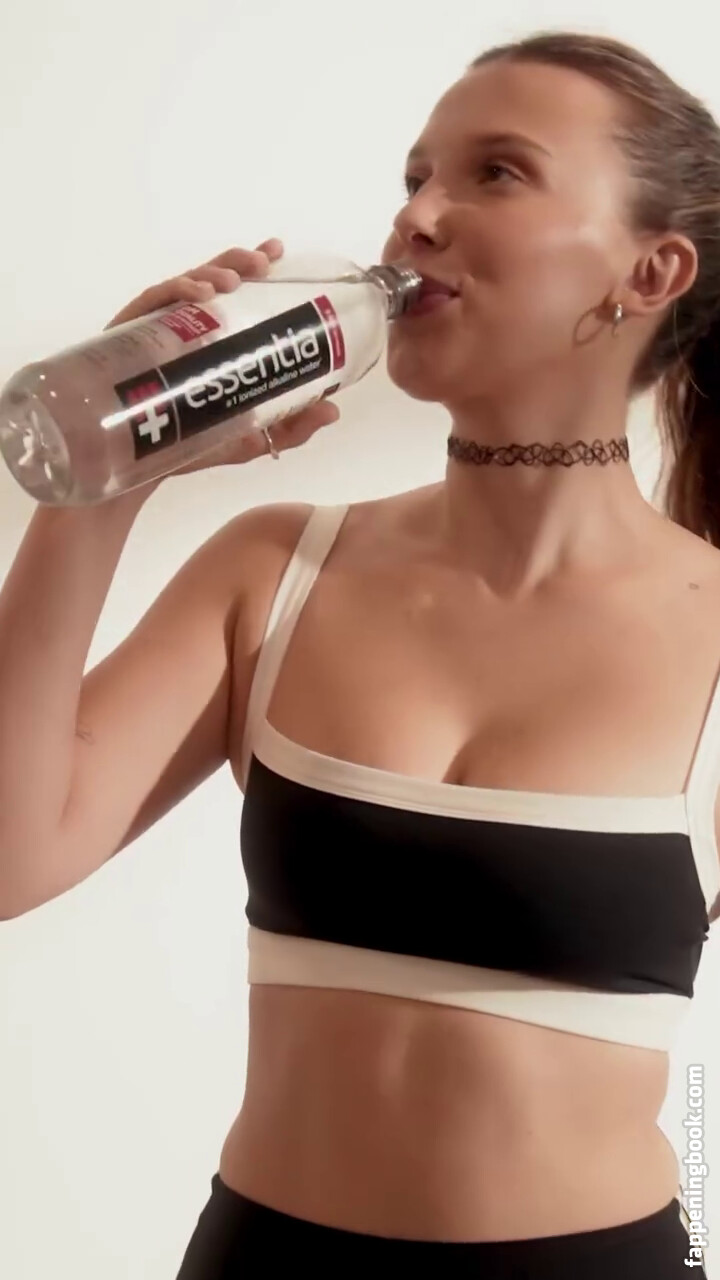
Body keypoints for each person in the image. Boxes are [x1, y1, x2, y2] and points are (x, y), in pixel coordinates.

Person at [0, 28, 717, 1279]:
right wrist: (110, 472)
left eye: (496, 173)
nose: (417, 218)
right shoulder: (277, 568)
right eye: (414, 177)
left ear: (649, 270)